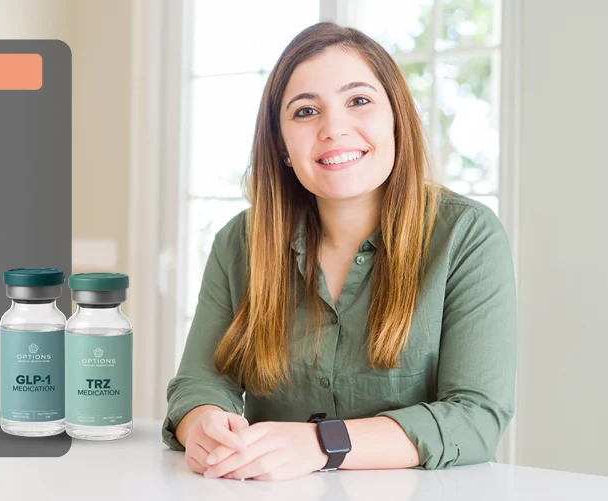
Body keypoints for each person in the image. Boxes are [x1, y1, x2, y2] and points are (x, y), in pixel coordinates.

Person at [162, 21, 517, 481]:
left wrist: (320, 444)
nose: (334, 128)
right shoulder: (240, 242)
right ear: (283, 145)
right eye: (306, 112)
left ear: (396, 118)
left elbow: (476, 417)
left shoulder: (466, 235)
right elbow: (199, 383)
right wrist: (204, 424)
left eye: (359, 101)